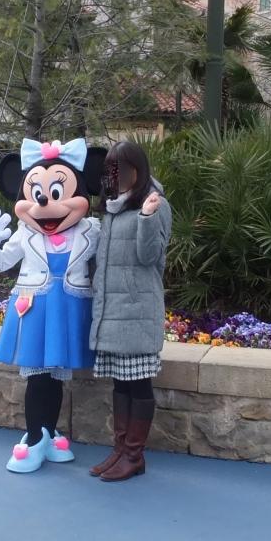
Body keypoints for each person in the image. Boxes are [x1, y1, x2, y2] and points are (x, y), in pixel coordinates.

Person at [0, 137, 105, 473]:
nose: (46, 202)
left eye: (58, 192)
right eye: (37, 194)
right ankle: (34, 438)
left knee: (56, 377)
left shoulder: (91, 231)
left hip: (69, 309)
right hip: (35, 309)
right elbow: (2, 263)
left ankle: (48, 432)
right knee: (37, 377)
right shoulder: (26, 233)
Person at [87, 140, 171, 483]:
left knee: (138, 385)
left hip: (137, 311)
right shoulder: (113, 207)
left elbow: (150, 258)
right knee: (121, 385)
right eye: (111, 168)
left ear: (138, 168)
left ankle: (134, 455)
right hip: (113, 311)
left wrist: (147, 218)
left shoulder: (153, 203)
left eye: (122, 167)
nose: (116, 174)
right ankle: (121, 450)